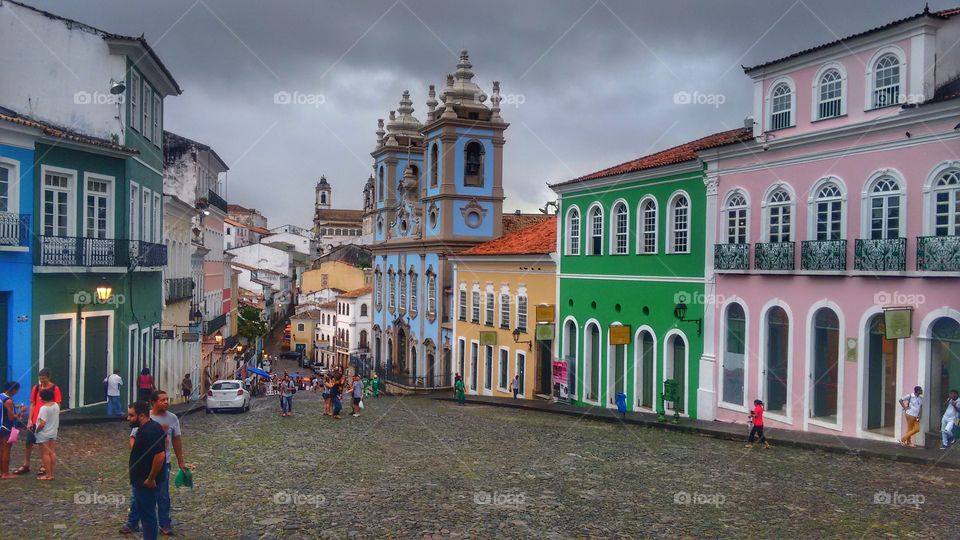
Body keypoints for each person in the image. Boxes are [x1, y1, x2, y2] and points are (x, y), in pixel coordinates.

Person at [122, 390, 188, 536]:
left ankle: (164, 524)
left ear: (140, 415)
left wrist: (181, 462)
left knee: (161, 497)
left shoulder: (170, 419)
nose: (166, 402)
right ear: (153, 402)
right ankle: (132, 522)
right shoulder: (146, 420)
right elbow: (133, 438)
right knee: (137, 499)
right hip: (143, 467)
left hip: (161, 465)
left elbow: (174, 442)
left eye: (167, 399)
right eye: (162, 400)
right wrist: (140, 451)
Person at [126, 400, 167, 540]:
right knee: (144, 515)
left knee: (148, 517)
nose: (128, 419)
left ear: (141, 415)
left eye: (131, 415)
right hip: (140, 481)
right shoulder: (149, 428)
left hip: (146, 483)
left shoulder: (149, 431)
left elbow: (160, 456)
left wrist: (150, 478)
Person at [14, 368, 62, 476]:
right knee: (29, 442)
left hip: (46, 421)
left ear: (49, 378)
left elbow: (57, 404)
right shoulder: (36, 388)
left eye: (44, 379)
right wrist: (30, 420)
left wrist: (52, 419)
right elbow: (33, 404)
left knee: (45, 446)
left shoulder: (55, 388)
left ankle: (44, 465)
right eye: (40, 379)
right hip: (36, 419)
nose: (42, 381)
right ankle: (26, 464)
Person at [0, 381, 26, 478]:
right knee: (6, 451)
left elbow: (4, 408)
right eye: (16, 390)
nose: (16, 392)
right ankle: (5, 473)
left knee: (1, 450)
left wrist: (16, 407)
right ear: (13, 390)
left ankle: (1, 471)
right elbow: (11, 417)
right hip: (7, 427)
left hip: (0, 426)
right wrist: (21, 411)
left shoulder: (1, 397)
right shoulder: (9, 401)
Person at [34, 388, 60, 480]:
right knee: (52, 452)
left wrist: (36, 431)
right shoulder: (56, 405)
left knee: (45, 454)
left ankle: (48, 475)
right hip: (53, 432)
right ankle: (51, 473)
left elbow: (42, 423)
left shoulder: (44, 408)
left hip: (44, 433)